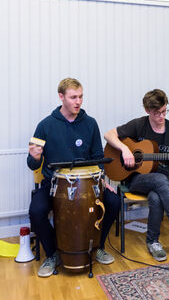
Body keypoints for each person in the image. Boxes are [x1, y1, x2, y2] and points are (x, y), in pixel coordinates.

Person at [27, 78, 121, 277]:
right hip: (54, 183)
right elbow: (31, 163)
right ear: (61, 97)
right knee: (36, 211)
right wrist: (35, 157)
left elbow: (97, 158)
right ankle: (53, 254)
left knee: (113, 202)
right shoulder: (45, 125)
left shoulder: (90, 123)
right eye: (73, 97)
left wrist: (102, 180)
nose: (78, 101)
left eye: (81, 97)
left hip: (88, 184)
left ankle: (98, 247)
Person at [104, 89, 169, 262]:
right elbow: (108, 134)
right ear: (147, 110)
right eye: (157, 113)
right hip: (137, 179)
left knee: (157, 195)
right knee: (159, 180)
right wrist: (125, 149)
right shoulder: (138, 125)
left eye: (164, 111)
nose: (161, 116)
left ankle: (153, 242)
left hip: (164, 178)